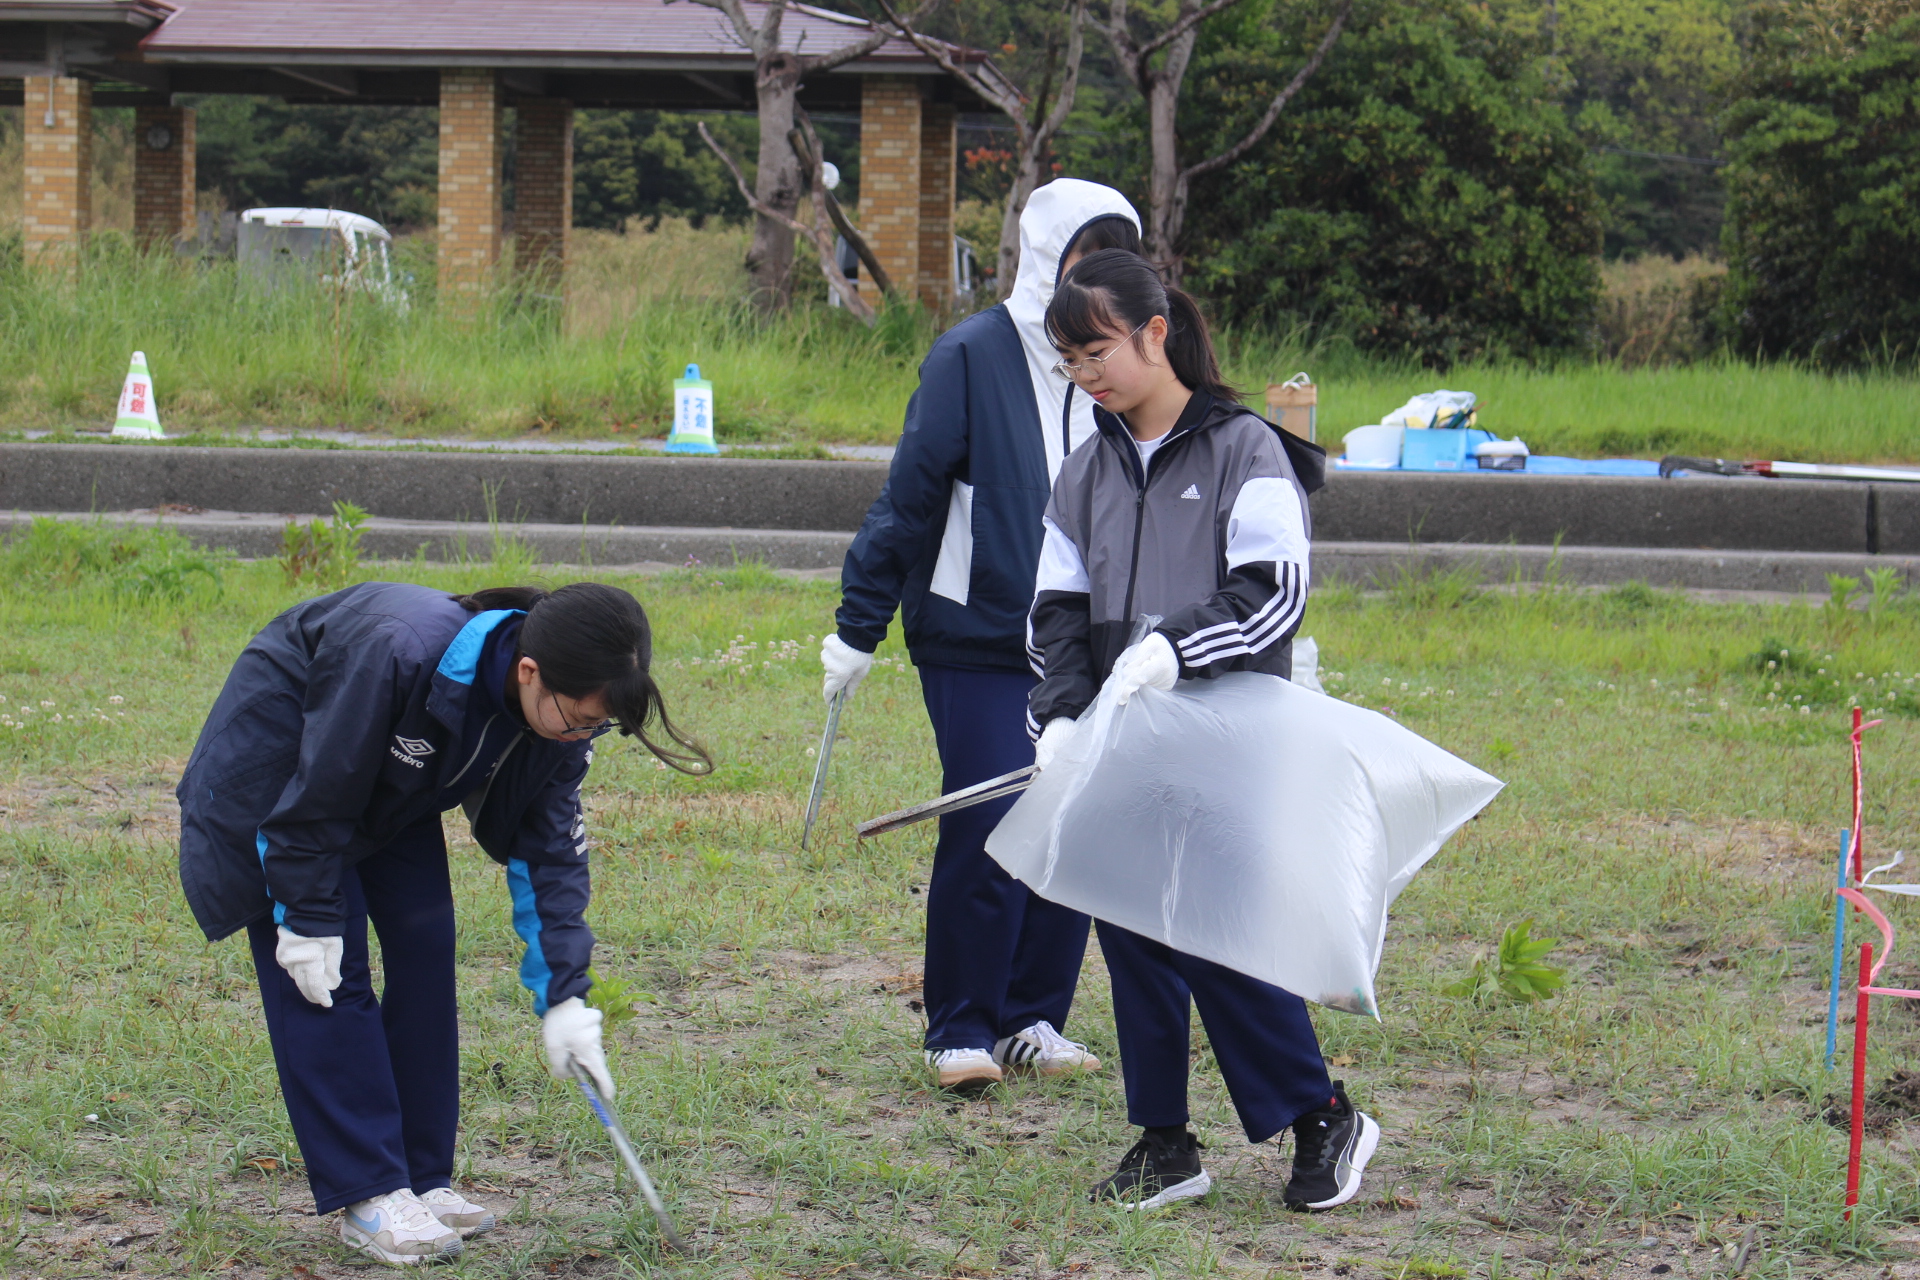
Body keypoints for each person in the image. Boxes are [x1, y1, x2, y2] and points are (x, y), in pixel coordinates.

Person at [176, 581, 710, 1266]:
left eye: (596, 726)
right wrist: (305, 917)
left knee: (425, 942)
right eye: (579, 719)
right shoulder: (398, 653)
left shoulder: (559, 721)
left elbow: (550, 856)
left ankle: (420, 1177)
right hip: (284, 780)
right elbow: (322, 787)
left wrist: (565, 997)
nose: (582, 735)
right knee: (326, 971)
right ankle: (370, 1192)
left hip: (387, 784)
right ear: (529, 672)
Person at [1025, 249, 1379, 1212]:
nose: (1086, 375)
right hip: (1119, 744)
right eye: (1069, 361)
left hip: (1227, 738)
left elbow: (1273, 595)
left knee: (1214, 934)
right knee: (1131, 930)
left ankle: (1324, 1114)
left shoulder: (1246, 450)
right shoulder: (1085, 470)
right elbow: (1056, 610)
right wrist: (1060, 718)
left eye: (1098, 351)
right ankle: (1164, 1142)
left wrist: (1171, 651)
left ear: (1155, 333)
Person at [823, 179, 1144, 1091]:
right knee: (993, 816)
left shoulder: (1122, 366)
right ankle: (958, 1025)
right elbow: (909, 497)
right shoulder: (971, 354)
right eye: (1083, 262)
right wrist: (857, 627)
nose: (1096, 286)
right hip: (979, 633)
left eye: (1115, 266)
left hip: (1088, 642)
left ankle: (1030, 1018)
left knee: (1073, 825)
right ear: (1046, 260)